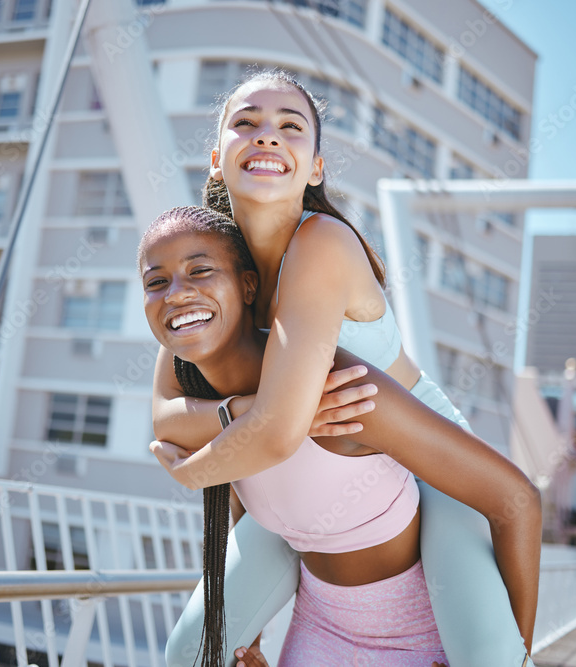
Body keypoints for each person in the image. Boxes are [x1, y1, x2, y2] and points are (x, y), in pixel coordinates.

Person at [149, 70, 539, 667]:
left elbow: (274, 433)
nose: (268, 137)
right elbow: (172, 410)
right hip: (312, 472)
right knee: (189, 655)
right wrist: (244, 413)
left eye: (290, 127)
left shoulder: (322, 242)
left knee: (492, 659)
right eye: (246, 123)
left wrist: (195, 469)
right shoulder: (211, 270)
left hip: (422, 454)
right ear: (216, 157)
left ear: (316, 168)